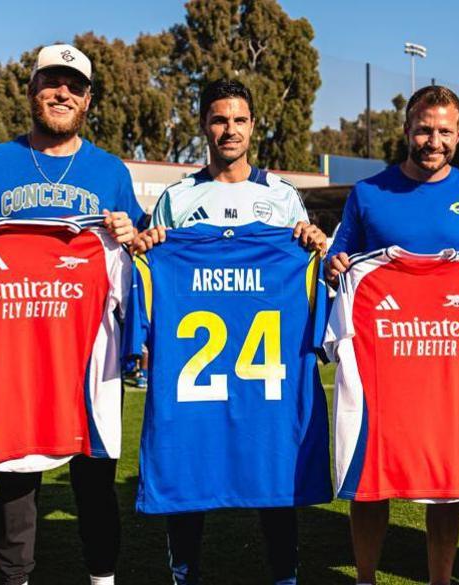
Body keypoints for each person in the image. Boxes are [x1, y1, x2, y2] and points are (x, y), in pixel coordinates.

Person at [0, 43, 143, 585]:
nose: (62, 93)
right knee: (17, 476)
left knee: (95, 478)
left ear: (88, 100)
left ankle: (102, 577)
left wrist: (132, 235)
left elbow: (141, 252)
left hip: (87, 355)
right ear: (32, 89)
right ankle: (14, 577)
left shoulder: (111, 172)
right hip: (19, 351)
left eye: (74, 86)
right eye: (51, 82)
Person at [132, 79, 325, 585]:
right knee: (186, 471)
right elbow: (153, 272)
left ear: (253, 125)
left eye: (239, 120)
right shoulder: (177, 198)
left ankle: (285, 576)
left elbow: (308, 270)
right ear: (204, 125)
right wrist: (148, 247)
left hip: (266, 374)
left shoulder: (281, 196)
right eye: (219, 119)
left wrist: (313, 243)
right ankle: (184, 574)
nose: (230, 130)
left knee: (274, 475)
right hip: (195, 378)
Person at [324, 85, 459, 585]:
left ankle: (440, 580)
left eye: (444, 131)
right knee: (369, 479)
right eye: (424, 130)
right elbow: (339, 259)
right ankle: (365, 579)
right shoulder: (368, 194)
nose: (433, 141)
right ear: (406, 130)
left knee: (445, 483)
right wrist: (336, 266)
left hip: (447, 368)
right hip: (382, 367)